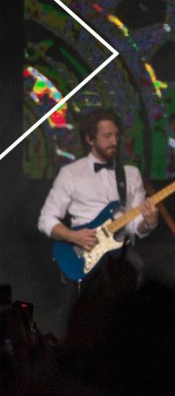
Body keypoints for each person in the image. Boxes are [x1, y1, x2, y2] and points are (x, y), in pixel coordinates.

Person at [38, 108, 158, 285]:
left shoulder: (131, 174)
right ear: (90, 139)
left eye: (116, 135)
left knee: (140, 279)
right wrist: (72, 236)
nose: (114, 141)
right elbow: (46, 220)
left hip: (120, 253)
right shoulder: (71, 174)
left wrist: (149, 223)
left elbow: (134, 226)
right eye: (107, 136)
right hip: (84, 252)